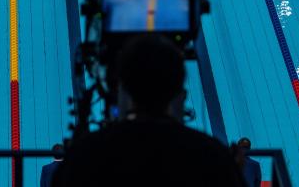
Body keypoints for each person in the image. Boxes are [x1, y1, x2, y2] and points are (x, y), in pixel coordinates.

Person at [52, 35, 244, 186]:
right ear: (180, 94)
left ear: (121, 92)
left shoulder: (86, 156)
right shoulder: (212, 157)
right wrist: (235, 172)